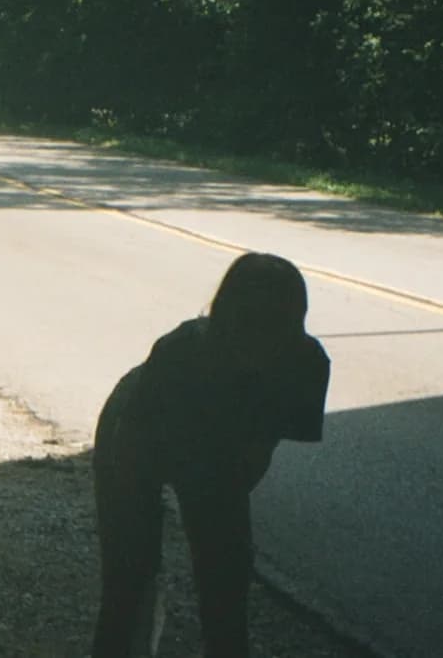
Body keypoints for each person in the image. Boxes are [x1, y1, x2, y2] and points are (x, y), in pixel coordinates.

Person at [91, 252, 330, 657]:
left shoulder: (306, 364)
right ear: (225, 320)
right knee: (131, 578)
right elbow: (132, 449)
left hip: (215, 448)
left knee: (227, 577)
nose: (260, 343)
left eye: (275, 328)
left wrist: (220, 511)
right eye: (250, 325)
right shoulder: (181, 353)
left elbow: (257, 454)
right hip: (138, 429)